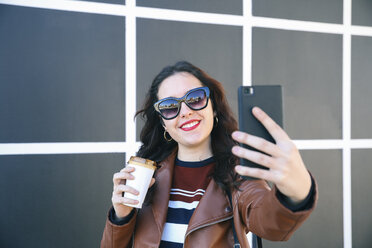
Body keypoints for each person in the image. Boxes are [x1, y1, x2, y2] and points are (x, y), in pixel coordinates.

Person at [101, 61, 317, 248]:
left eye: (194, 98)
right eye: (169, 106)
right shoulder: (147, 177)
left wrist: (297, 191)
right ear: (163, 123)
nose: (185, 111)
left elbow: (271, 224)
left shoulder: (239, 174)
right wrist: (121, 216)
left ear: (213, 107)